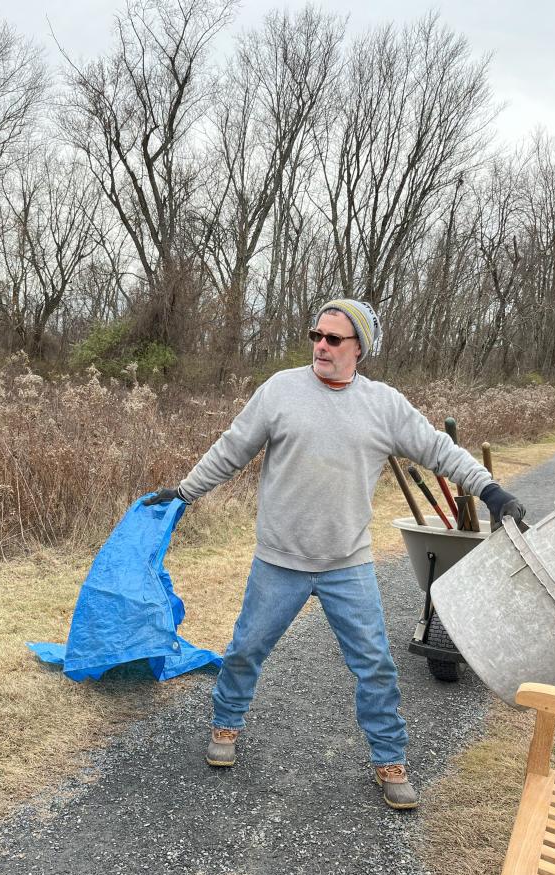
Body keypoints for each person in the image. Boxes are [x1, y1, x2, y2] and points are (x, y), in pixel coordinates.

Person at [144, 298, 524, 810]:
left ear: (359, 349)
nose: (321, 345)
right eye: (316, 335)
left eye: (333, 339)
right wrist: (186, 492)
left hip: (348, 564)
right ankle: (226, 725)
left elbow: (439, 449)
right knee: (246, 649)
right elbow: (232, 448)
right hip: (279, 560)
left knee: (375, 666)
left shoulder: (384, 405)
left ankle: (389, 760)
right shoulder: (280, 391)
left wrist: (491, 491)